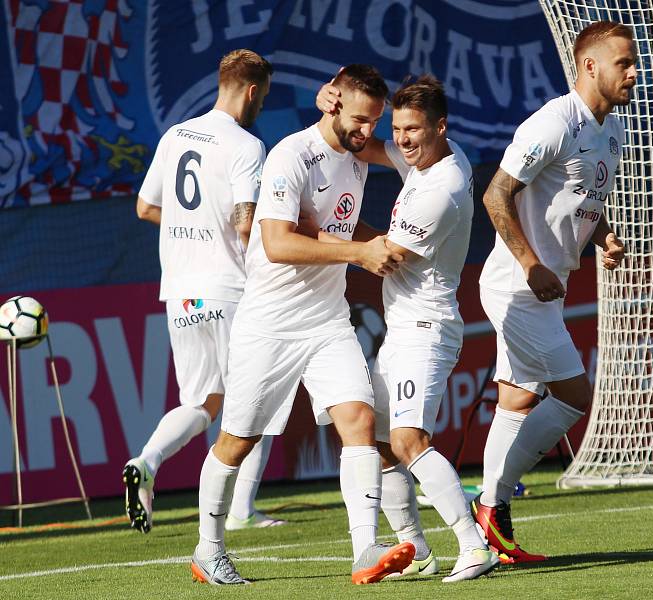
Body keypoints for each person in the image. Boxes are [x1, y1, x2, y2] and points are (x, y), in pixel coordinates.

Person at [189, 64, 414, 586]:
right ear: (332, 104)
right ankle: (208, 549)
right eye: (361, 121)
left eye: (374, 123)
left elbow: (344, 217)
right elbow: (277, 243)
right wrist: (361, 253)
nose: (367, 133)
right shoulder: (290, 156)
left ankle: (365, 550)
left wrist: (382, 241)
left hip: (328, 320)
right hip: (269, 324)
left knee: (358, 419)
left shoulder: (356, 155)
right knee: (236, 440)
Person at [316, 75, 498, 582]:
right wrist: (331, 112)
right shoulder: (429, 154)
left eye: (413, 129)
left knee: (408, 440)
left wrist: (322, 225)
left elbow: (386, 259)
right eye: (396, 128)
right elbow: (366, 145)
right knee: (374, 441)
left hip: (426, 327)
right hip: (401, 329)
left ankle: (474, 545)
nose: (401, 140)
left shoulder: (443, 189)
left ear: (440, 127)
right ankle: (415, 549)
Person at [473, 20, 636, 563]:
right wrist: (530, 263)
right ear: (590, 66)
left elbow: (581, 200)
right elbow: (497, 194)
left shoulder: (611, 131)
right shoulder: (553, 121)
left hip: (548, 285)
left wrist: (604, 238)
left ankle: (489, 526)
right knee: (575, 398)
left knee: (518, 399)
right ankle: (491, 505)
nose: (634, 74)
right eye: (624, 64)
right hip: (518, 286)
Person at [127, 49, 285, 534]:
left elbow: (144, 207)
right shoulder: (246, 144)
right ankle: (239, 509)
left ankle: (147, 463)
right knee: (263, 396)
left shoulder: (176, 135)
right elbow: (244, 227)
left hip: (181, 289)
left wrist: (192, 227)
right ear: (253, 91)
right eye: (264, 96)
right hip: (231, 290)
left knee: (202, 401)